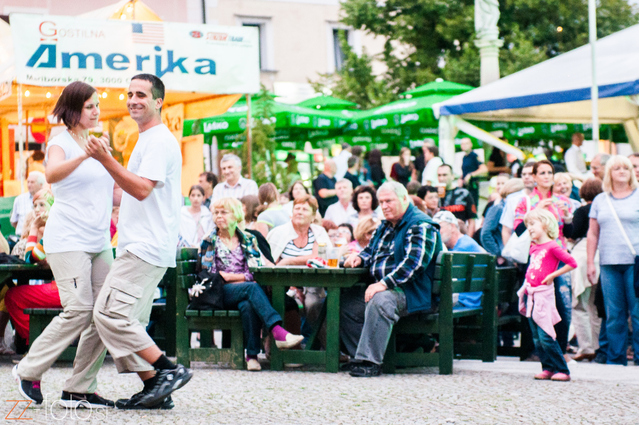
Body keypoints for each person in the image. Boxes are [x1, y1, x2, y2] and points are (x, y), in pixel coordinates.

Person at [87, 74, 191, 409]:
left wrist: (106, 160)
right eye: (129, 94)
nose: (133, 99)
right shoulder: (147, 139)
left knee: (108, 315)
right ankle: (155, 390)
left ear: (158, 101)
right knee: (130, 321)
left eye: (141, 95)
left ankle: (166, 370)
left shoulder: (159, 140)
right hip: (146, 245)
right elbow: (132, 190)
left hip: (144, 247)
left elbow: (143, 189)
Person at [11, 81, 116, 408]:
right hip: (68, 238)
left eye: (97, 105)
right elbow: (52, 174)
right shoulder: (61, 142)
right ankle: (28, 369)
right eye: (89, 106)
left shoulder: (97, 142)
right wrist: (87, 154)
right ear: (73, 110)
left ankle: (79, 387)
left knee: (108, 312)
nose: (96, 111)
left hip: (99, 240)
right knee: (80, 308)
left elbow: (114, 193)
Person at [340, 181, 442, 377]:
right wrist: (359, 257)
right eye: (381, 202)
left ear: (405, 199)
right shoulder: (385, 225)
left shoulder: (420, 224)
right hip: (389, 288)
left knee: (380, 300)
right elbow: (370, 251)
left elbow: (414, 264)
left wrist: (382, 284)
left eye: (389, 201)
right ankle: (359, 357)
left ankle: (370, 362)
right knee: (346, 304)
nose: (384, 206)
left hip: (413, 292)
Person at [201, 198, 304, 371]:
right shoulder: (209, 241)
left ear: (236, 216)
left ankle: (252, 356)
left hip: (242, 292)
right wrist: (243, 277)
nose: (219, 216)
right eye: (216, 213)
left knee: (247, 304)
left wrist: (234, 276)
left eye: (224, 212)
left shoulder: (248, 239)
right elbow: (211, 274)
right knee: (252, 288)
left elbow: (255, 269)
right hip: (217, 292)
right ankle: (278, 331)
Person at [514, 160, 574, 356]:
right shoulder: (526, 200)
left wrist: (567, 219)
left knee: (562, 305)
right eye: (542, 172)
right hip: (537, 259)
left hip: (558, 256)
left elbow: (571, 232)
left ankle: (561, 349)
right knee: (534, 305)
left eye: (550, 172)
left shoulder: (562, 200)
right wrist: (536, 210)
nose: (547, 176)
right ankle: (535, 351)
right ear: (534, 176)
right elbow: (518, 230)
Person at [587, 155, 639, 366]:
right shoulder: (601, 200)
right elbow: (592, 234)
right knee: (614, 314)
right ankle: (615, 359)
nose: (621, 171)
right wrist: (590, 262)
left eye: (625, 168)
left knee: (637, 313)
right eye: (616, 168)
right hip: (608, 262)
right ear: (609, 172)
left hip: (635, 264)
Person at [518, 208, 577, 382]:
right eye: (528, 225)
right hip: (531, 295)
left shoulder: (553, 246)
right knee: (536, 336)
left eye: (533, 224)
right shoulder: (534, 247)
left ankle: (562, 369)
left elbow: (571, 262)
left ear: (545, 223)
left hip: (543, 296)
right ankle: (548, 367)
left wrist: (552, 275)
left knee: (546, 335)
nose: (529, 228)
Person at [267, 195, 332, 338]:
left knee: (314, 305)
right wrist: (293, 287)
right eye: (297, 208)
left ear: (313, 215)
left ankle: (328, 349)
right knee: (284, 303)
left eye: (305, 209)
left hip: (314, 283)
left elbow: (318, 257)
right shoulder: (279, 233)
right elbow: (269, 262)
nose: (299, 212)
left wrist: (289, 260)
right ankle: (283, 351)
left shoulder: (318, 232)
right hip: (283, 285)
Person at [6, 190, 61, 348]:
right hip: (81, 288)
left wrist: (35, 228)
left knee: (12, 296)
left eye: (42, 205)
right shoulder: (64, 226)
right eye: (34, 206)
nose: (37, 209)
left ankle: (38, 345)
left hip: (64, 290)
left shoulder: (52, 229)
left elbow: (30, 257)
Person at [563, 178, 602, 362]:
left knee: (579, 304)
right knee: (595, 306)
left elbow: (572, 233)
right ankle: (598, 345)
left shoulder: (582, 211)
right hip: (602, 257)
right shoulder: (605, 207)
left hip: (583, 257)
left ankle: (586, 346)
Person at [481, 178, 524, 258]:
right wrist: (498, 254)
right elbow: (485, 234)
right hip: (504, 255)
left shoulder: (518, 209)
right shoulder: (498, 208)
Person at [500, 161, 535, 246]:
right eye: (524, 174)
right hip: (520, 249)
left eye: (530, 174)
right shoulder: (513, 198)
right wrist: (509, 254)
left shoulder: (546, 197)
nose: (526, 177)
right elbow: (506, 229)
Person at [438, 164, 477, 237]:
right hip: (442, 237)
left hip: (460, 236)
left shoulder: (464, 194)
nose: (441, 178)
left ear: (452, 176)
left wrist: (468, 239)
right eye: (439, 175)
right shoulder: (435, 195)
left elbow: (472, 220)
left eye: (444, 175)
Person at [10, 171, 45, 236]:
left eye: (32, 182)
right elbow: (14, 221)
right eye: (28, 182)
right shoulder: (19, 199)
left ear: (41, 184)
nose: (29, 185)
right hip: (22, 238)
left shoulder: (47, 198)